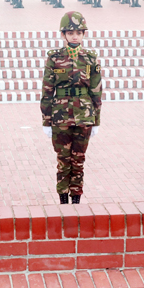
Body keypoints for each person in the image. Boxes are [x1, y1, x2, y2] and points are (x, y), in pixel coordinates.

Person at [41, 11, 101, 204]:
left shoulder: (90, 58)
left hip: (84, 116)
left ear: (84, 34)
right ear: (63, 34)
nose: (75, 36)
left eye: (79, 32)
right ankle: (63, 199)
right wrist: (46, 121)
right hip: (60, 116)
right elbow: (47, 90)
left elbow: (96, 91)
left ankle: (76, 198)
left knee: (79, 160)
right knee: (63, 160)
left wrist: (97, 121)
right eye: (70, 32)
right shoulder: (54, 57)